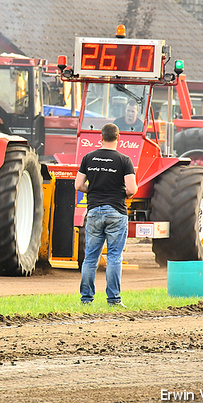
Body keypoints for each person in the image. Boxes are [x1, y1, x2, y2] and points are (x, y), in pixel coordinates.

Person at [74, 123, 137, 307]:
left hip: (94, 210)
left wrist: (92, 190)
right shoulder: (124, 160)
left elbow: (78, 185)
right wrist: (121, 193)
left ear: (100, 138)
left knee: (91, 257)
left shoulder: (88, 158)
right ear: (119, 139)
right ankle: (114, 300)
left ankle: (86, 299)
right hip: (116, 212)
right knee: (114, 256)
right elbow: (132, 189)